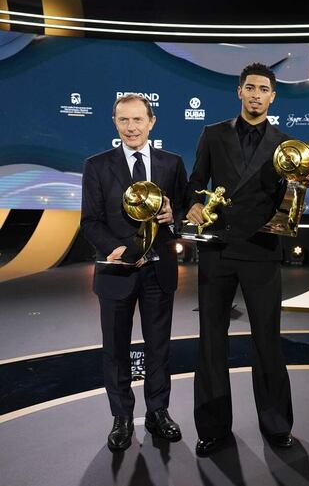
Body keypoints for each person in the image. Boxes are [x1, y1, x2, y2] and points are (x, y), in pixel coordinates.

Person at [186, 62, 296, 456]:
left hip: (263, 251)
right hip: (218, 249)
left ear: (272, 96)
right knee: (212, 341)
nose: (255, 95)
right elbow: (195, 183)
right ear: (239, 92)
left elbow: (291, 199)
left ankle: (276, 424)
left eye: (263, 89)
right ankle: (213, 428)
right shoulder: (212, 134)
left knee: (267, 340)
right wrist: (196, 204)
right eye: (249, 87)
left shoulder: (287, 146)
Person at [81, 93, 188, 452]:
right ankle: (122, 417)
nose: (131, 127)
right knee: (115, 349)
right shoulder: (96, 166)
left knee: (159, 347)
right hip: (116, 272)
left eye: (137, 120)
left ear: (151, 122)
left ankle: (158, 412)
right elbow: (90, 222)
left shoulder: (172, 164)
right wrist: (120, 250)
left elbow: (185, 210)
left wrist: (175, 215)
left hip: (158, 271)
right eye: (124, 120)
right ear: (115, 122)